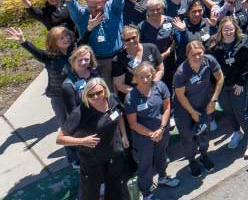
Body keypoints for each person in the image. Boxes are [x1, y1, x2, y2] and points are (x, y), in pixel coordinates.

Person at [57, 78, 131, 200]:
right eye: (91, 95)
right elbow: (60, 139)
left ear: (105, 91)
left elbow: (119, 116)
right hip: (92, 161)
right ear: (86, 95)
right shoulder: (80, 112)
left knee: (116, 190)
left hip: (113, 155)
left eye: (99, 92)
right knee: (90, 194)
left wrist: (124, 135)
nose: (96, 97)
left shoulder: (112, 99)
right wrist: (83, 141)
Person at [124, 63, 178, 200]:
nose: (145, 80)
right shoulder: (131, 97)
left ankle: (163, 178)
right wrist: (151, 134)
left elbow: (167, 108)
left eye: (148, 76)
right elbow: (133, 123)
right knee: (145, 164)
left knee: (161, 156)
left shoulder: (160, 87)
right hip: (143, 136)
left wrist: (161, 129)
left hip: (161, 130)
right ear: (135, 78)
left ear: (152, 75)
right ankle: (146, 193)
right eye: (141, 77)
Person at [172, 39, 224, 177]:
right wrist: (192, 112)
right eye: (193, 55)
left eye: (199, 53)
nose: (197, 57)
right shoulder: (181, 72)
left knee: (204, 132)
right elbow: (180, 96)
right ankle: (192, 161)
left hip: (203, 104)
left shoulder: (209, 60)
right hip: (183, 109)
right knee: (189, 138)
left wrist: (214, 100)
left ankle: (204, 155)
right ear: (187, 55)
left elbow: (220, 78)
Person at [209, 16, 248, 149]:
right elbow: (211, 66)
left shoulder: (243, 41)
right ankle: (236, 132)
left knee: (241, 111)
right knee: (228, 111)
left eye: (231, 29)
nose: (228, 31)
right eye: (225, 29)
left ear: (235, 28)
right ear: (221, 30)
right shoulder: (214, 44)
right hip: (222, 85)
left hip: (238, 84)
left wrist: (241, 82)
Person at [111, 25, 163, 96]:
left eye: (133, 37)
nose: (131, 41)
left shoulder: (151, 48)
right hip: (133, 96)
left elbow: (160, 69)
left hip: (153, 90)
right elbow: (120, 85)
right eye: (127, 39)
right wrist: (141, 92)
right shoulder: (118, 59)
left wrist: (152, 86)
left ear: (138, 36)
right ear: (123, 41)